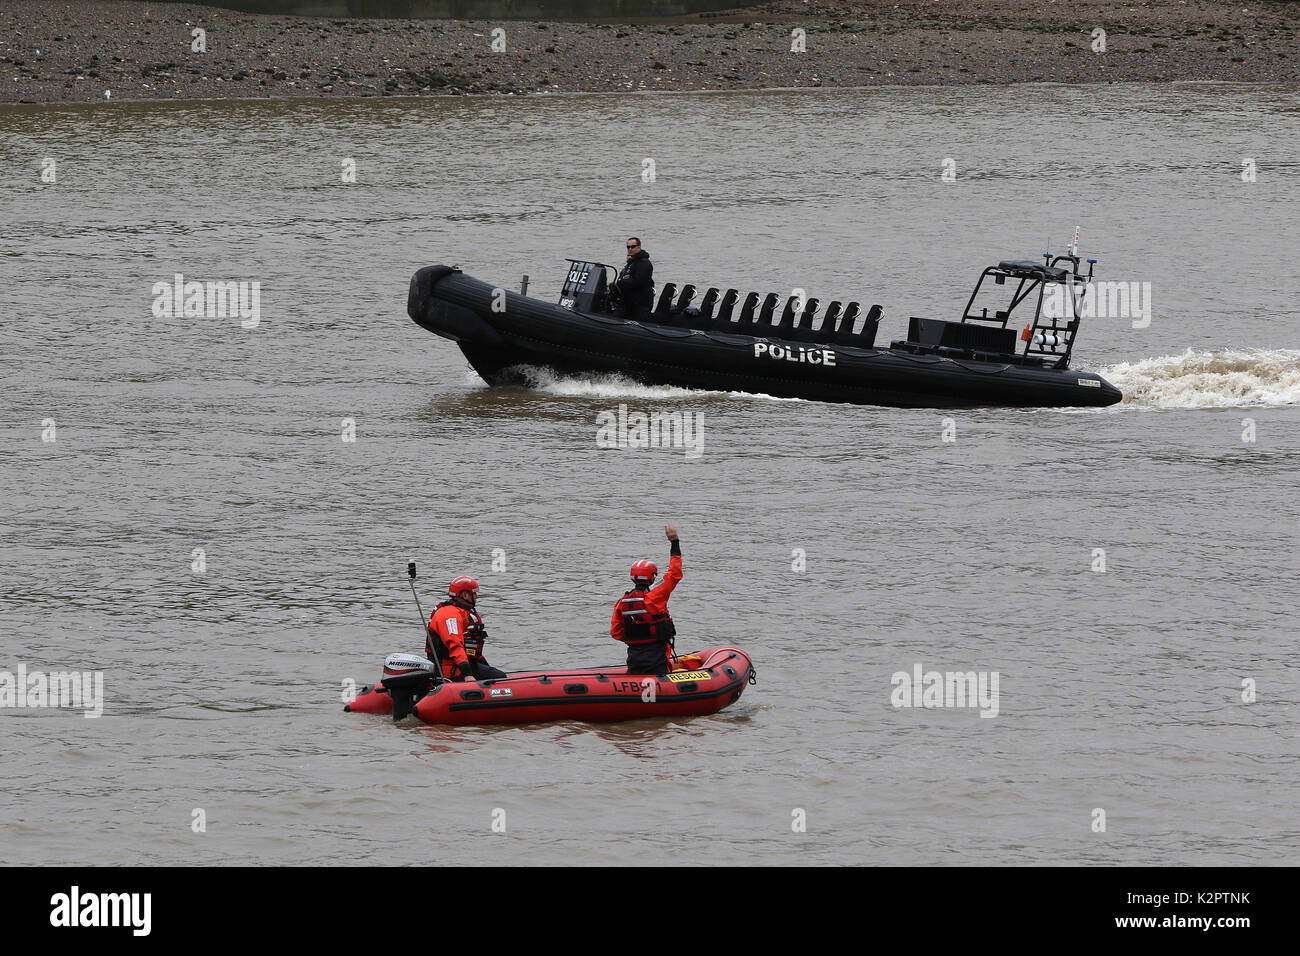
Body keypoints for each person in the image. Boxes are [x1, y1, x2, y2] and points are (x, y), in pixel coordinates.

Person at [611, 524, 682, 677]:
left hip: (635, 660)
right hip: (657, 659)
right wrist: (674, 543)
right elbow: (674, 574)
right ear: (652, 577)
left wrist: (636, 639)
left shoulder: (622, 603)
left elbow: (616, 632)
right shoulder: (656, 596)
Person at [426, 575, 508, 682]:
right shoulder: (450, 615)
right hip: (451, 669)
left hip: (461, 664)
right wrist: (467, 674)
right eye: (474, 594)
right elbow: (455, 645)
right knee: (500, 679)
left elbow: (470, 648)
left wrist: (485, 665)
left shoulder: (462, 612)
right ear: (465, 595)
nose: (476, 597)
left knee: (497, 675)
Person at [610, 237, 654, 322]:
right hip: (628, 301)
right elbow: (624, 277)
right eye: (628, 247)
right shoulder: (631, 263)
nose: (630, 249)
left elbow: (638, 281)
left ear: (639, 247)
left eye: (632, 246)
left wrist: (619, 283)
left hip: (640, 302)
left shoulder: (644, 263)